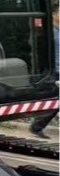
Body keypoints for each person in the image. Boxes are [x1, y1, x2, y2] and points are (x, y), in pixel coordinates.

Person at [30, 8, 60, 138]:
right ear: (54, 14)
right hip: (52, 71)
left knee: (55, 101)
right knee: (54, 101)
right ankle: (37, 126)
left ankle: (37, 126)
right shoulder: (49, 31)